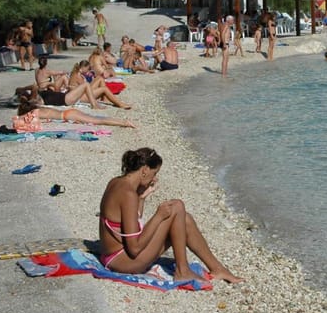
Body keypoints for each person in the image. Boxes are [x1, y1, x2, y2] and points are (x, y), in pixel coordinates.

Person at [98, 147, 242, 283]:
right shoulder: (128, 194)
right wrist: (158, 216)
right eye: (154, 173)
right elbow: (134, 248)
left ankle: (217, 269)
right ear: (145, 170)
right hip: (122, 261)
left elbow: (132, 223)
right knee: (177, 206)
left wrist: (142, 198)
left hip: (116, 256)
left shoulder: (117, 182)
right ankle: (182, 271)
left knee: (184, 219)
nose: (154, 178)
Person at [17, 95, 135, 129]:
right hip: (68, 113)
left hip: (68, 115)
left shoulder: (35, 113)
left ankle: (124, 122)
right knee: (96, 119)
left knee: (97, 121)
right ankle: (123, 122)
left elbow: (21, 120)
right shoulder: (38, 109)